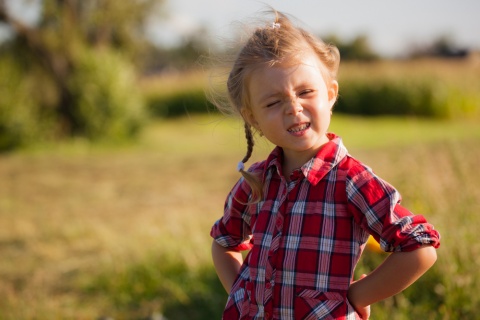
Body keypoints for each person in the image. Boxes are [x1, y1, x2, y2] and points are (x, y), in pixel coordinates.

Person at [210, 9, 440, 320]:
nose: (294, 108)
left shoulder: (352, 181)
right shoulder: (257, 181)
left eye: (305, 92)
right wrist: (242, 291)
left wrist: (356, 296)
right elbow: (225, 243)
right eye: (273, 102)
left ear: (330, 94)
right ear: (253, 118)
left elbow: (420, 249)